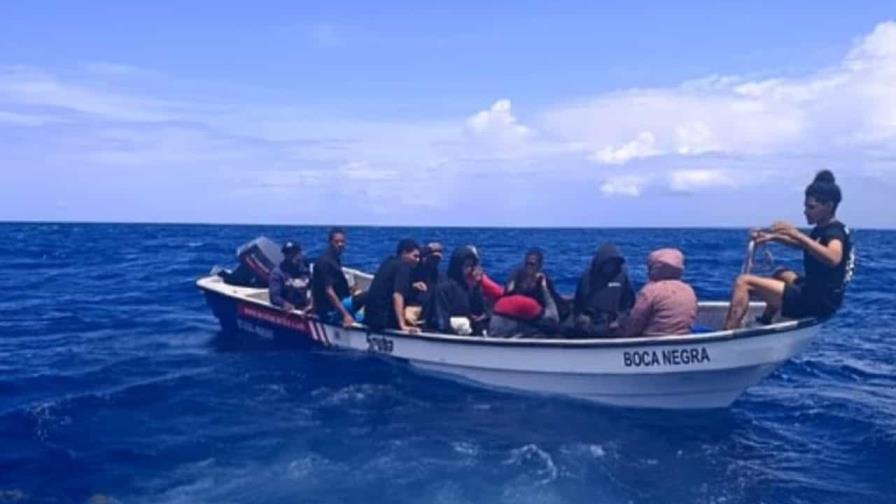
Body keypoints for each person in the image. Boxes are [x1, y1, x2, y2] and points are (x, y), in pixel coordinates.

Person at [723, 170, 853, 329]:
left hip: (817, 302)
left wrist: (797, 234)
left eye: (811, 207)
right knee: (781, 274)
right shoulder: (824, 228)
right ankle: (764, 321)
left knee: (743, 282)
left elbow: (834, 258)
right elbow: (807, 246)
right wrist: (773, 237)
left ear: (829, 206)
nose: (805, 211)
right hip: (822, 296)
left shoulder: (834, 233)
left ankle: (728, 332)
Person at [623, 248, 697, 337]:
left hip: (652, 339)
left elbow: (634, 323)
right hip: (684, 337)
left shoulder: (650, 291)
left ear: (655, 268)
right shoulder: (688, 289)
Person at [571, 244, 636, 337]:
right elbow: (578, 302)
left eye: (613, 263)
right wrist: (580, 316)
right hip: (590, 319)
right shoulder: (588, 276)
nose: (610, 266)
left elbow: (629, 303)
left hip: (613, 320)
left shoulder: (622, 276)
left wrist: (620, 320)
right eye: (608, 263)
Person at [364, 239, 422, 332]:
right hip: (383, 321)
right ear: (404, 253)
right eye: (415, 256)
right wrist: (402, 325)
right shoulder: (404, 267)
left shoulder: (388, 262)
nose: (417, 260)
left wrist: (412, 286)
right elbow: (397, 295)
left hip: (370, 317)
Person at [428, 246, 488, 335]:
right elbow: (440, 319)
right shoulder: (444, 287)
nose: (470, 270)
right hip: (446, 332)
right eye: (467, 266)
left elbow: (478, 312)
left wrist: (476, 286)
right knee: (463, 323)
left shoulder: (469, 287)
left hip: (467, 331)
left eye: (472, 266)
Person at [505, 248, 569, 320]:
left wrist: (543, 287)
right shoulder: (516, 275)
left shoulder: (542, 279)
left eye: (532, 264)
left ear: (539, 266)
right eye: (527, 264)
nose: (529, 267)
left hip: (540, 310)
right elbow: (508, 294)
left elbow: (551, 300)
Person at [311, 227, 357, 328]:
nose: (340, 244)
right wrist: (345, 315)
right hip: (330, 312)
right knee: (365, 298)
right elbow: (329, 291)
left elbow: (314, 284)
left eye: (342, 242)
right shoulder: (325, 262)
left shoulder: (335, 260)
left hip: (340, 304)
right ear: (330, 242)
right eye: (337, 242)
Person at [406, 242, 444, 323]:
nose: (435, 261)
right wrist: (413, 285)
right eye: (433, 258)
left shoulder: (435, 272)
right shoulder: (414, 268)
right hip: (413, 304)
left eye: (437, 259)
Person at [269, 241, 311, 312]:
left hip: (304, 305)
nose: (292, 256)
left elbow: (313, 286)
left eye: (295, 253)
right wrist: (284, 303)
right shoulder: (277, 273)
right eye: (288, 254)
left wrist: (312, 303)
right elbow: (274, 297)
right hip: (290, 309)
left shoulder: (304, 269)